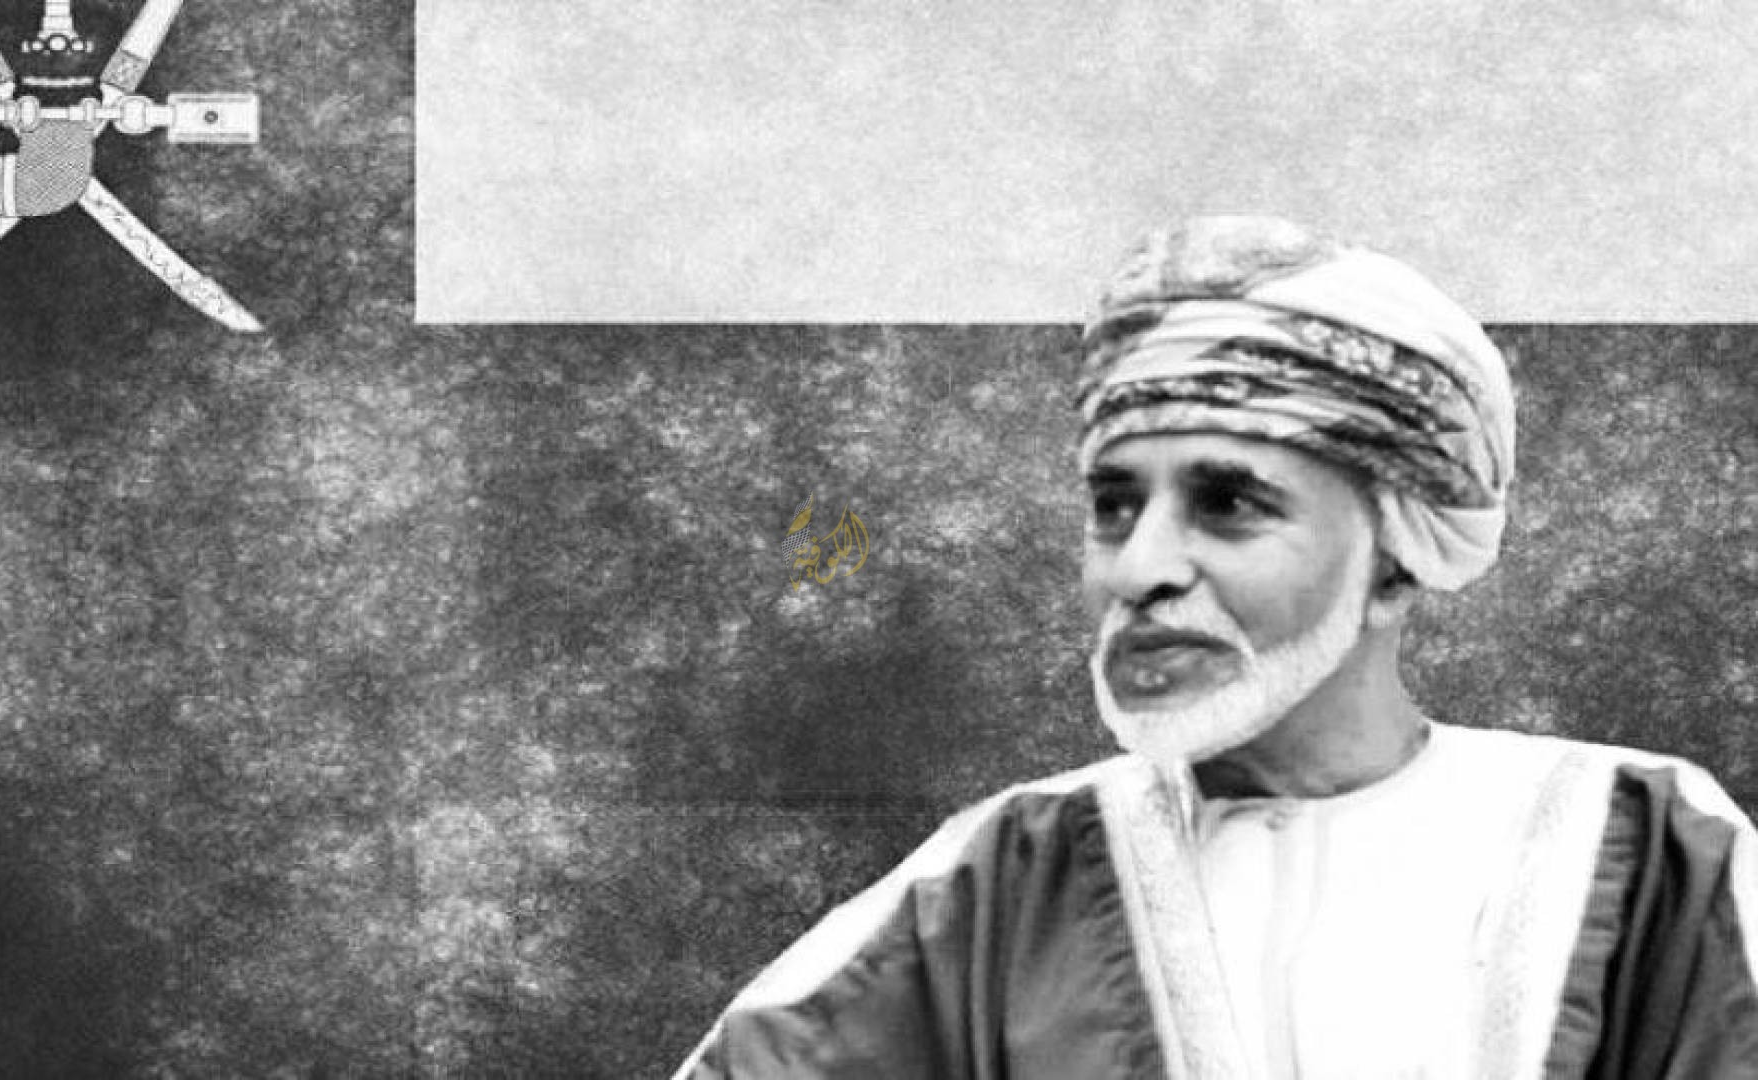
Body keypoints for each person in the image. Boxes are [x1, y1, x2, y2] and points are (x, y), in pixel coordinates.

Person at [672, 216, 1758, 1078]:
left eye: (1228, 504)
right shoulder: (1002, 878)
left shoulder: (1646, 845)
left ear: (1396, 556)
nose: (1139, 567)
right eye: (1112, 506)